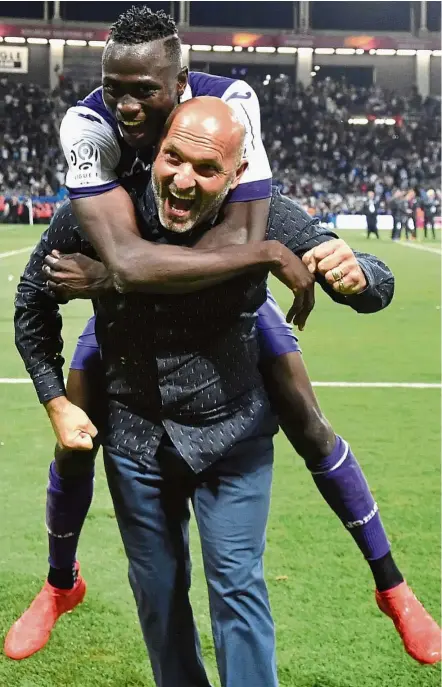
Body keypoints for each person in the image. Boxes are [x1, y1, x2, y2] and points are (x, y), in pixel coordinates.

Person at [6, 6, 440, 666]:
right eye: (170, 158)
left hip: (229, 409)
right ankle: (59, 580)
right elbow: (37, 302)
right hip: (137, 415)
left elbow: (360, 276)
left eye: (205, 167)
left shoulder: (259, 202)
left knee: (291, 452)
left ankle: (393, 585)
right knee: (150, 578)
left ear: (236, 171)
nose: (181, 176)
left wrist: (359, 273)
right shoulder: (101, 207)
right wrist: (56, 395)